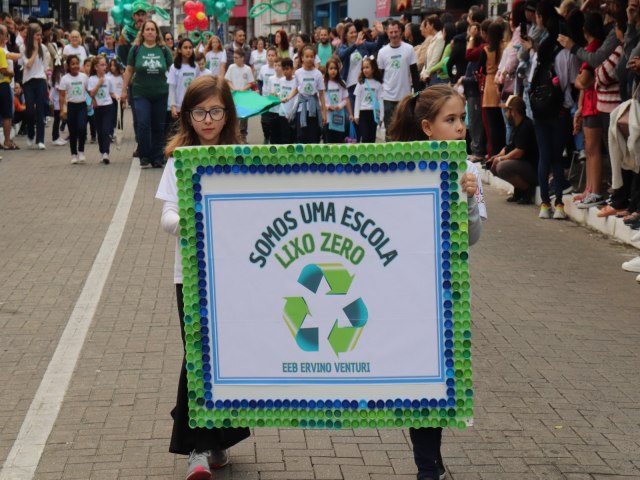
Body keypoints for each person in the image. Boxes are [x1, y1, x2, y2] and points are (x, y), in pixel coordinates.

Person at [387, 83, 485, 480]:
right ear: (427, 128)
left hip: (441, 294)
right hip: (403, 289)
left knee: (434, 379)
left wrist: (471, 201)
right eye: (451, 119)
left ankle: (429, 465)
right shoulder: (396, 165)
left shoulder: (469, 171)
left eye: (462, 118)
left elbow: (472, 237)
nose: (460, 127)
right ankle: (429, 464)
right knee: (413, 377)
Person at [157, 75, 250, 480]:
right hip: (192, 274)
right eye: (199, 111)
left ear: (227, 113)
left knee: (225, 357)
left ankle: (217, 441)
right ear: (186, 115)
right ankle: (196, 447)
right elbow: (166, 216)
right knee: (196, 356)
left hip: (234, 274)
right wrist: (191, 223)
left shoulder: (241, 157)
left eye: (215, 111)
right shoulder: (179, 159)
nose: (207, 120)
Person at [121, 19, 173, 168]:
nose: (150, 32)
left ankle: (157, 157)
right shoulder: (136, 49)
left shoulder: (164, 50)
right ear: (142, 33)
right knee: (143, 124)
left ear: (157, 33)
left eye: (153, 29)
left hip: (161, 93)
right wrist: (123, 90)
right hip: (141, 93)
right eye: (147, 29)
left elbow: (173, 71)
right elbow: (129, 70)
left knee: (158, 126)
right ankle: (144, 154)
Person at [488, 95, 539, 204]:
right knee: (495, 165)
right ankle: (518, 189)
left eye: (507, 110)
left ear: (514, 112)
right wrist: (496, 157)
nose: (505, 114)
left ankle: (526, 189)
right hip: (521, 165)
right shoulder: (516, 126)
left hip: (532, 167)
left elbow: (519, 152)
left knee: (501, 167)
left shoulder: (526, 126)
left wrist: (501, 159)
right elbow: (508, 147)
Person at [377, 19, 420, 140]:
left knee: (405, 127)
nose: (394, 35)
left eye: (396, 31)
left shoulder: (409, 49)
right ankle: (389, 155)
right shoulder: (382, 52)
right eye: (391, 32)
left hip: (405, 97)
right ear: (387, 33)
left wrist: (417, 94)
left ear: (400, 31)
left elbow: (415, 73)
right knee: (390, 129)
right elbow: (379, 76)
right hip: (388, 97)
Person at [21, 23, 50, 150]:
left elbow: (45, 67)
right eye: (37, 35)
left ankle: (40, 139)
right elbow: (28, 65)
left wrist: (47, 84)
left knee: (40, 110)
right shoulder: (23, 47)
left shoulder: (44, 48)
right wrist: (35, 51)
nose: (39, 37)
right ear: (31, 35)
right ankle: (31, 134)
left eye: (40, 35)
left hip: (40, 81)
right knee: (29, 111)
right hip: (28, 81)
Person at [294, 44, 327, 143]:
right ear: (302, 58)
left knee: (314, 136)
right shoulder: (298, 73)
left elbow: (321, 94)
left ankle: (313, 158)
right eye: (306, 56)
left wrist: (324, 113)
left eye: (311, 56)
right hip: (301, 108)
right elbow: (296, 89)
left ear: (314, 58)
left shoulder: (318, 74)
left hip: (314, 109)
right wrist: (288, 98)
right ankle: (302, 158)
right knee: (301, 135)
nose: (309, 59)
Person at [59, 55, 88, 164]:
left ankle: (81, 151)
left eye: (77, 63)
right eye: (73, 64)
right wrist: (62, 110)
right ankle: (73, 154)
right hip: (71, 106)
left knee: (82, 128)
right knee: (73, 131)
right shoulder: (65, 78)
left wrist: (93, 102)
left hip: (82, 106)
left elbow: (89, 91)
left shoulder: (84, 77)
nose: (75, 66)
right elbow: (61, 95)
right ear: (68, 66)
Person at [88, 55, 116, 164]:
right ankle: (102, 151)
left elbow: (112, 93)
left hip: (108, 106)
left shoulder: (109, 78)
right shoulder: (92, 79)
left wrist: (118, 98)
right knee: (100, 131)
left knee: (106, 130)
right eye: (102, 65)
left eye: (105, 65)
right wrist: (99, 84)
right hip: (98, 108)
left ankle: (106, 153)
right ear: (96, 67)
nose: (104, 67)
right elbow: (92, 93)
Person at [225, 48, 255, 142]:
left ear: (242, 58)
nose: (235, 59)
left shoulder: (247, 69)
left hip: (244, 96)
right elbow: (228, 80)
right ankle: (234, 135)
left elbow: (251, 82)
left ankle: (243, 135)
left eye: (237, 57)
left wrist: (243, 89)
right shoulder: (231, 67)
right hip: (234, 95)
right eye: (234, 57)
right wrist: (233, 88)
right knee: (234, 115)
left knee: (244, 117)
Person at [353, 55, 384, 143]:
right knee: (365, 137)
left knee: (372, 137)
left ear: (373, 68)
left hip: (373, 114)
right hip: (363, 113)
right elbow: (357, 99)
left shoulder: (378, 84)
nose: (365, 70)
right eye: (363, 68)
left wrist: (381, 117)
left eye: (367, 67)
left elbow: (380, 100)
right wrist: (356, 115)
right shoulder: (361, 83)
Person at [168, 38, 198, 123]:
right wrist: (173, 106)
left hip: (193, 106)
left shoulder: (196, 67)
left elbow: (198, 87)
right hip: (179, 107)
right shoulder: (174, 67)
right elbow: (172, 88)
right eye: (185, 47)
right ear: (180, 50)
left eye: (190, 47)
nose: (188, 50)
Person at [323, 57, 352, 143]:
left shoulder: (341, 83)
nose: (333, 71)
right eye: (331, 68)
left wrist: (340, 106)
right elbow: (321, 101)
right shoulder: (324, 83)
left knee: (339, 140)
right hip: (328, 118)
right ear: (327, 70)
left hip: (339, 118)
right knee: (328, 141)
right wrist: (328, 107)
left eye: (335, 68)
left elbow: (345, 99)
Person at [273, 57, 297, 144]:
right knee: (284, 135)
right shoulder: (281, 80)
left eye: (287, 69)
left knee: (292, 134)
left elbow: (295, 94)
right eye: (284, 69)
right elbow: (282, 92)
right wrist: (277, 94)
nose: (285, 71)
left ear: (292, 69)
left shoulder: (295, 81)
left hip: (292, 112)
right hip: (282, 112)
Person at [0, 23, 15, 150]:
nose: (6, 37)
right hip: (3, 85)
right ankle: (7, 141)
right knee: (7, 114)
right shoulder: (0, 51)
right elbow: (4, 70)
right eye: (5, 35)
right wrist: (11, 73)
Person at [259, 47, 277, 143]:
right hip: (265, 99)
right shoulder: (263, 68)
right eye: (269, 55)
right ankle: (266, 136)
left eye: (273, 55)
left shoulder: (277, 68)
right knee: (264, 121)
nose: (270, 57)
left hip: (274, 99)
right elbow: (260, 81)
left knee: (273, 120)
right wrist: (260, 92)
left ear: (276, 56)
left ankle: (273, 138)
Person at [50, 56, 66, 146]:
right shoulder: (59, 75)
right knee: (57, 119)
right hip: (57, 101)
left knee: (57, 119)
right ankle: (55, 137)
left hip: (55, 99)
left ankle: (57, 136)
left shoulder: (55, 73)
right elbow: (60, 89)